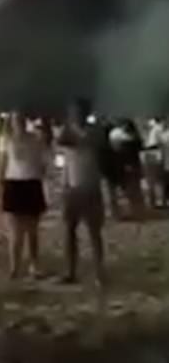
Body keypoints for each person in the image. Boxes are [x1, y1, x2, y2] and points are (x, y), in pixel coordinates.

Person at [57, 101, 106, 288]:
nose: (74, 116)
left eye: (77, 112)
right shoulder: (68, 132)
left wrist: (72, 133)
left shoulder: (94, 131)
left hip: (90, 186)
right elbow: (60, 146)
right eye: (72, 112)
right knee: (69, 231)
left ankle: (99, 272)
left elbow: (88, 142)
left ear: (85, 113)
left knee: (94, 233)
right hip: (72, 187)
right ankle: (70, 271)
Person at [0, 112, 48, 279]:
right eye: (15, 120)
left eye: (20, 120)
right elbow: (1, 165)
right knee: (16, 232)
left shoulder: (36, 139)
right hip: (14, 184)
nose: (17, 123)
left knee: (32, 231)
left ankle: (34, 265)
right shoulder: (7, 140)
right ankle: (15, 267)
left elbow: (43, 163)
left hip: (31, 183)